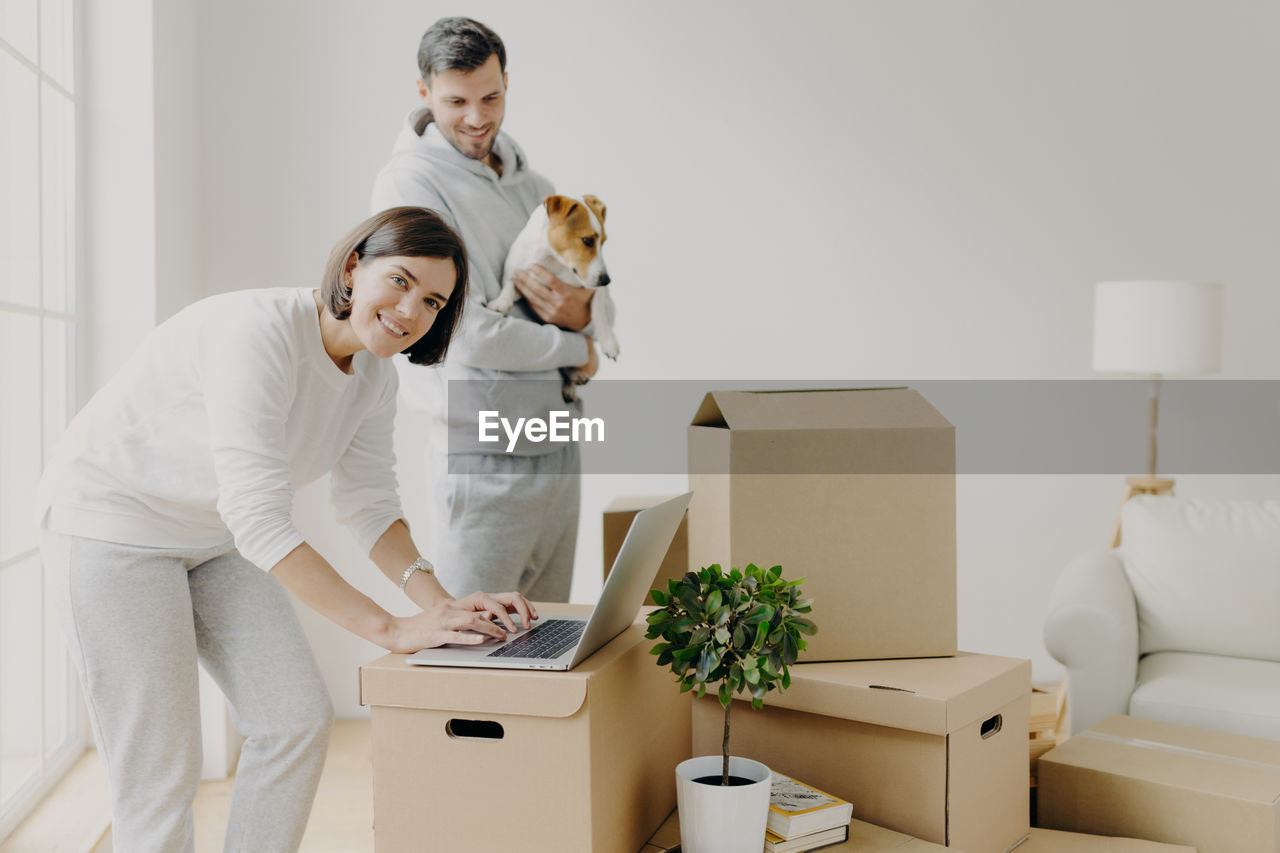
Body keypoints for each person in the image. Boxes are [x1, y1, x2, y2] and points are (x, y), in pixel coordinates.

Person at [36, 207, 536, 853]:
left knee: (294, 718)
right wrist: (391, 629)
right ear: (354, 266)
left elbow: (369, 505)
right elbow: (259, 516)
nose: (411, 310)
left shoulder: (374, 377)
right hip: (111, 526)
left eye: (434, 301)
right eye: (401, 281)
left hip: (211, 535)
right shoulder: (258, 333)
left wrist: (440, 606)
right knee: (159, 773)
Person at [370, 16, 612, 602]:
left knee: (544, 640)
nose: (477, 117)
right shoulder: (411, 186)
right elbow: (464, 332)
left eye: (491, 96)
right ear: (424, 93)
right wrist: (577, 347)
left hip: (557, 437)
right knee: (471, 646)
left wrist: (582, 316)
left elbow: (592, 287)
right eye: (456, 101)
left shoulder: (537, 188)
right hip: (483, 453)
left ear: (507, 83)